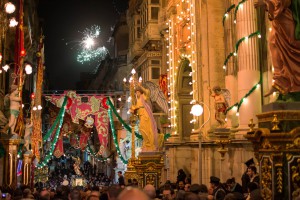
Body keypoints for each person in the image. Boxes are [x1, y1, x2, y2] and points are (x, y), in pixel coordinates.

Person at [255, 0, 300, 97]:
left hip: (286, 19)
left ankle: (292, 83)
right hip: (278, 21)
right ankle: (280, 81)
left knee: (289, 49)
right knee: (273, 44)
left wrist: (267, 3)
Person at [130, 84, 158, 152]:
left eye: (138, 92)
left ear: (140, 92)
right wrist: (132, 109)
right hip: (141, 115)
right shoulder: (138, 99)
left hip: (145, 115)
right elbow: (135, 107)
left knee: (144, 129)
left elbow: (147, 92)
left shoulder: (143, 96)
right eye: (136, 92)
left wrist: (140, 86)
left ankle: (149, 144)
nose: (137, 93)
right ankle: (146, 143)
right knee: (141, 129)